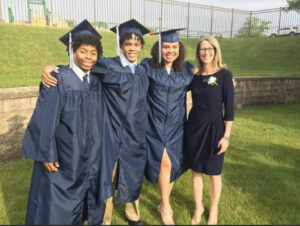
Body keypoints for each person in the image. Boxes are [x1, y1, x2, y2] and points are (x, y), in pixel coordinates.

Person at [40, 19, 150, 226]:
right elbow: (79, 65)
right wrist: (52, 68)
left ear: (142, 46)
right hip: (110, 132)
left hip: (135, 134)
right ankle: (103, 220)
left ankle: (133, 215)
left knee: (133, 174)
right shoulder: (108, 65)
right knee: (105, 178)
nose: (132, 48)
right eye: (128, 43)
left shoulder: (144, 70)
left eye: (136, 43)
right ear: (121, 45)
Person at [20, 19, 115, 225]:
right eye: (82, 51)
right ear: (72, 51)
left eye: (93, 52)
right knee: (58, 206)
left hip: (90, 156)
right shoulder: (59, 78)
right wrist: (46, 152)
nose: (88, 56)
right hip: (65, 156)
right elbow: (45, 119)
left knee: (86, 200)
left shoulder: (96, 81)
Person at [140, 29, 193, 225]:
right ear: (159, 48)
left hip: (176, 125)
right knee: (165, 163)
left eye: (174, 47)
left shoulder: (187, 69)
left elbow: (207, 76)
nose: (170, 50)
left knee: (173, 164)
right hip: (154, 124)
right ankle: (166, 207)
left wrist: (224, 80)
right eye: (166, 46)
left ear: (179, 48)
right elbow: (126, 71)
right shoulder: (148, 66)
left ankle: (163, 203)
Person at [184, 36, 234, 225]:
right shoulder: (194, 76)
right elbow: (176, 89)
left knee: (214, 172)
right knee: (196, 171)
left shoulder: (225, 75)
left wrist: (226, 136)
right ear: (198, 52)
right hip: (194, 127)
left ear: (215, 50)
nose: (206, 52)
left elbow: (229, 109)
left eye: (209, 48)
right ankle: (199, 208)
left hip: (215, 128)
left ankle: (213, 210)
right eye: (202, 49)